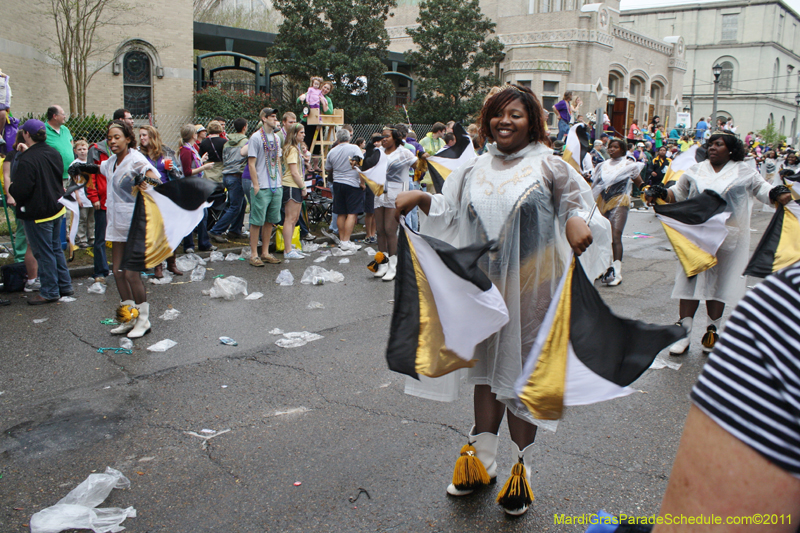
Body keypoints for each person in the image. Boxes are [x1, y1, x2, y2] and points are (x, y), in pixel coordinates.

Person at [394, 84, 596, 517]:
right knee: (485, 374)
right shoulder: (472, 168)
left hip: (534, 290)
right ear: (487, 121)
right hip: (481, 287)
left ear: (533, 122)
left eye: (516, 114)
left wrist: (576, 221)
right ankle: (481, 462)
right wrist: (423, 197)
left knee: (524, 378)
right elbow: (449, 212)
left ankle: (520, 471)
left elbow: (575, 205)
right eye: (497, 114)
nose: (505, 121)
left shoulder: (551, 167)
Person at [651, 260, 800, 532]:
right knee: (691, 266)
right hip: (694, 222)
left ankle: (712, 329)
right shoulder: (784, 309)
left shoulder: (782, 311)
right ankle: (685, 329)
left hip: (728, 225)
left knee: (720, 274)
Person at [646, 132, 792, 356]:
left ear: (731, 149)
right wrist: (661, 192)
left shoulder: (745, 172)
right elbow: (678, 192)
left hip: (728, 236)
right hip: (696, 236)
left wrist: (778, 192)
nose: (712, 148)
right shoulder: (696, 169)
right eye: (710, 144)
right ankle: (683, 333)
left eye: (718, 144)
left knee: (720, 285)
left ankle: (712, 332)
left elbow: (763, 191)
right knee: (689, 281)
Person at [101, 120, 160, 338]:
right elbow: (97, 169)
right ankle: (128, 318)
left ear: (128, 138)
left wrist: (143, 180)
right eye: (109, 138)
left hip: (135, 223)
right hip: (116, 222)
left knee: (131, 273)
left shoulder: (135, 158)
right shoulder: (110, 162)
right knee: (117, 272)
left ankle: (143, 321)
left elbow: (156, 180)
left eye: (117, 137)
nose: (112, 141)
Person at [8, 119, 73, 305]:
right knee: (55, 249)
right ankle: (64, 285)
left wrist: (12, 189)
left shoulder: (28, 159)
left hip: (38, 213)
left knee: (43, 253)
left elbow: (21, 189)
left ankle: (50, 291)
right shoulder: (53, 152)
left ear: (27, 135)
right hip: (56, 207)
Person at [592, 138, 645, 287]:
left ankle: (616, 271)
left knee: (615, 236)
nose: (611, 149)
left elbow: (640, 183)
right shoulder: (601, 166)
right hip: (601, 202)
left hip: (620, 201)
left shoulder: (629, 165)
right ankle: (602, 267)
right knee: (601, 235)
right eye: (610, 147)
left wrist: (647, 190)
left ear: (622, 149)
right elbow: (595, 185)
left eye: (615, 147)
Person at [138, 125, 183, 279]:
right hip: (149, 197)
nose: (142, 138)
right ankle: (158, 266)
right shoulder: (138, 154)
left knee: (170, 231)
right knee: (156, 232)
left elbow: (179, 175)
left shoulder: (166, 152)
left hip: (167, 195)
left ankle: (172, 263)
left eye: (145, 135)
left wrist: (171, 168)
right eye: (140, 135)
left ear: (153, 136)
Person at [374, 126, 417, 281]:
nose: (383, 139)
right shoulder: (378, 152)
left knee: (390, 230)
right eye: (382, 137)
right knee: (379, 231)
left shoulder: (403, 152)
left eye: (386, 136)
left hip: (396, 193)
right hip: (379, 194)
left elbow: (418, 167)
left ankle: (394, 266)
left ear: (395, 138)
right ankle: (382, 264)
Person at [2, 130, 39, 291]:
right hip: (18, 198)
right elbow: (7, 176)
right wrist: (10, 195)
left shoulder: (31, 154)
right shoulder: (12, 156)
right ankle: (20, 259)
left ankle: (31, 264)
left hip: (31, 199)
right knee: (23, 230)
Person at [247, 107, 283, 267]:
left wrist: (280, 180)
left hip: (276, 185)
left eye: (276, 117)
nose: (275, 120)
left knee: (270, 221)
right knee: (257, 221)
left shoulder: (276, 138)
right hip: (261, 186)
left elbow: (279, 160)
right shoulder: (255, 138)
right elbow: (251, 163)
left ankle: (266, 252)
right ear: (264, 118)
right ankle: (254, 254)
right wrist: (256, 185)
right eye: (272, 117)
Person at [325, 128, 365, 252]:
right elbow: (360, 165)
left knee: (341, 212)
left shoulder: (332, 151)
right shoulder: (354, 148)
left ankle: (342, 240)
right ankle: (346, 240)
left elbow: (328, 167)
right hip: (352, 183)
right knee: (352, 213)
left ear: (337, 138)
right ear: (349, 137)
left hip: (337, 183)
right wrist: (362, 182)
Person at [210, 118, 249, 241]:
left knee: (241, 203)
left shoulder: (227, 142)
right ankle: (216, 231)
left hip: (227, 175)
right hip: (237, 175)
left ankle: (235, 230)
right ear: (245, 127)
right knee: (235, 206)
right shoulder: (246, 142)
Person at [178, 124, 215, 254]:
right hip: (189, 186)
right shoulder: (186, 150)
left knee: (202, 214)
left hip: (195, 185)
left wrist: (201, 159)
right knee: (192, 215)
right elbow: (187, 171)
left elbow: (193, 164)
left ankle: (202, 243)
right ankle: (189, 244)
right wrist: (204, 167)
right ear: (193, 135)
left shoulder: (192, 148)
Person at [281, 123, 308, 259]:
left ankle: (290, 247)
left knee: (295, 218)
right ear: (294, 134)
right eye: (301, 133)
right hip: (291, 185)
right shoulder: (291, 149)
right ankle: (287, 250)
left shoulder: (296, 149)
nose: (304, 135)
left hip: (295, 185)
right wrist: (303, 187)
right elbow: (294, 172)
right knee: (290, 219)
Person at [69, 140, 94, 249]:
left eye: (84, 149)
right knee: (82, 218)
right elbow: (73, 183)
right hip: (81, 196)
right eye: (79, 149)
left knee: (91, 219)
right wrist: (77, 198)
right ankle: (81, 238)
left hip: (91, 197)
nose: (82, 151)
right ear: (75, 151)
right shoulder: (74, 165)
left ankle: (92, 237)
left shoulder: (91, 162)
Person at [44, 105, 74, 184]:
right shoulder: (43, 130)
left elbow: (71, 141)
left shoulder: (65, 129)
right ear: (55, 116)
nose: (65, 116)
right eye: (63, 114)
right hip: (54, 176)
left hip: (70, 175)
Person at [198, 120, 226, 186]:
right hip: (220, 168)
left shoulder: (204, 142)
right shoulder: (224, 142)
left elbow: (200, 156)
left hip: (207, 169)